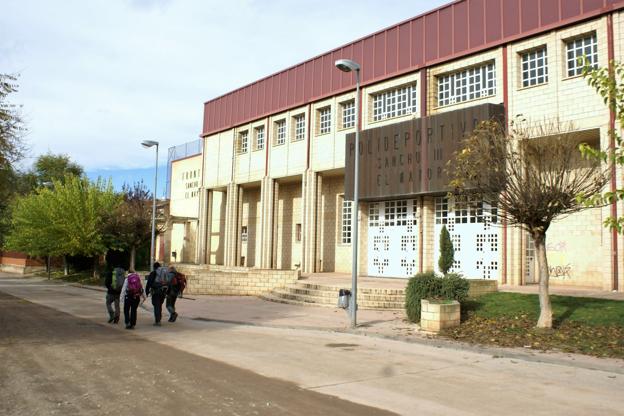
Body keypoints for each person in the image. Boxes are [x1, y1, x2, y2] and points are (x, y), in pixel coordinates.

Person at [145, 262, 167, 326]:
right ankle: (159, 319)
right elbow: (167, 282)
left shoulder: (153, 273)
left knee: (156, 306)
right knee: (159, 306)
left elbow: (149, 283)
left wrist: (147, 291)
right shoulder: (164, 272)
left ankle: (158, 321)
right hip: (163, 292)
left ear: (154, 267)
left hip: (156, 292)